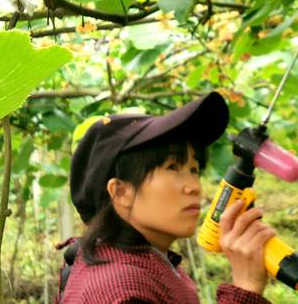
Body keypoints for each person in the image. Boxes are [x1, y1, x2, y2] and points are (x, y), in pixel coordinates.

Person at [54, 91, 275, 303]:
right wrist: (246, 287)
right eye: (172, 167)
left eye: (193, 170)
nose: (194, 187)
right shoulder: (123, 289)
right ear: (121, 192)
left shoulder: (143, 260)